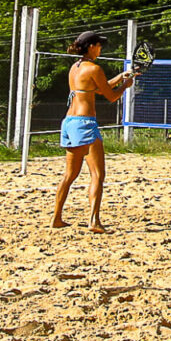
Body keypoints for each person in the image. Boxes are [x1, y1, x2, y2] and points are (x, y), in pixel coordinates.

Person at [52, 30, 135, 232]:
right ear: (91, 46)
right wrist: (126, 85)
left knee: (69, 175)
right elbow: (110, 96)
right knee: (98, 174)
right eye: (99, 46)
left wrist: (119, 78)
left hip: (69, 122)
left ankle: (56, 218)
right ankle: (94, 221)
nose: (100, 49)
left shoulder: (75, 67)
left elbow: (97, 88)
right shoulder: (95, 68)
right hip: (85, 123)